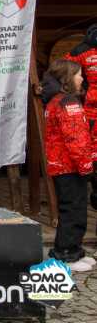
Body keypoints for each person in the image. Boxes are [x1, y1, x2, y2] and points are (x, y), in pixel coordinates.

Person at [41, 59, 95, 272]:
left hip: (62, 165)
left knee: (73, 209)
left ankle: (74, 250)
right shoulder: (68, 102)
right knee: (73, 211)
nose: (82, 78)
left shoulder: (56, 100)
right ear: (67, 78)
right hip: (69, 166)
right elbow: (76, 139)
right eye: (79, 74)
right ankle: (67, 255)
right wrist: (86, 166)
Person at [64, 25, 97, 219]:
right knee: (90, 155)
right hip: (91, 112)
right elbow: (62, 71)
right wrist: (77, 92)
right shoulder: (83, 50)